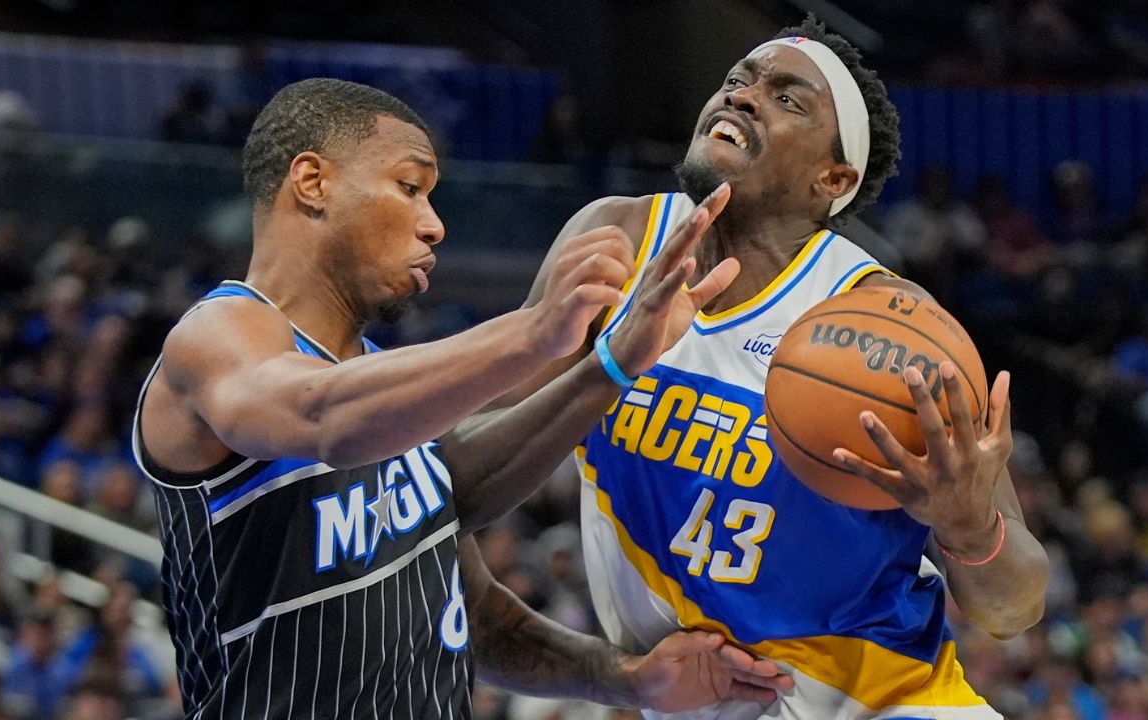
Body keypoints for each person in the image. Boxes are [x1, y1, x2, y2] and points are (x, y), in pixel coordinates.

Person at [133, 78, 790, 719]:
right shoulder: (216, 335)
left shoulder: (387, 389)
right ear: (313, 182)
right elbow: (321, 415)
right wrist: (534, 332)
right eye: (409, 187)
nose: (434, 226)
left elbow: (481, 618)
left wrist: (628, 680)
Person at [490, 16, 1049, 719]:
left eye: (787, 99)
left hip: (884, 705)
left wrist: (971, 531)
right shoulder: (618, 240)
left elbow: (1015, 609)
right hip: (685, 698)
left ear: (833, 178)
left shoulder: (890, 325)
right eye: (737, 80)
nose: (743, 96)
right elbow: (475, 457)